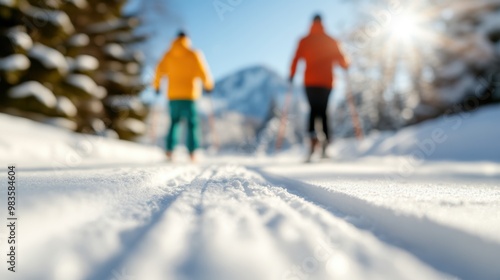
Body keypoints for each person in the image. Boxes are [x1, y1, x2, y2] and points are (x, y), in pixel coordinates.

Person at [289, 14, 349, 161]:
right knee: (323, 111)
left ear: (312, 23)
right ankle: (325, 147)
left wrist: (291, 74)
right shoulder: (330, 40)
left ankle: (311, 145)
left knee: (313, 110)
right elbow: (342, 59)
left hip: (310, 81)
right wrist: (346, 65)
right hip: (327, 82)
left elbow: (296, 58)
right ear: (322, 23)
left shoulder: (304, 40)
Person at [153, 31, 214, 162]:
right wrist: (208, 85)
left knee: (174, 122)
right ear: (187, 39)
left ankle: (169, 151)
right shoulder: (194, 54)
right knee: (192, 123)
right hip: (189, 96)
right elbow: (203, 71)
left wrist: (156, 86)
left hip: (173, 96)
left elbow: (158, 70)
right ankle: (192, 153)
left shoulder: (168, 55)